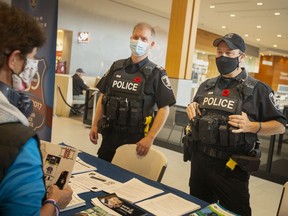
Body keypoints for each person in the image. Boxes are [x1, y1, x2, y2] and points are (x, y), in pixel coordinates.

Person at [185, 33, 286, 215]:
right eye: (219, 52)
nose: (223, 57)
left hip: (231, 168)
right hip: (200, 162)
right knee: (198, 210)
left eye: (229, 53)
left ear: (241, 57)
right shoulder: (206, 86)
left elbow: (280, 125)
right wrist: (191, 107)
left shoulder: (258, 89)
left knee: (236, 212)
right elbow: (197, 111)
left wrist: (252, 126)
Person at [0, 2, 72, 215]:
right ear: (13, 59)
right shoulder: (18, 142)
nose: (31, 69)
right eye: (30, 60)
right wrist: (55, 202)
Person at [89, 22, 176, 162]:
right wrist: (95, 124)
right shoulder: (116, 67)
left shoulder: (156, 73)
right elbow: (103, 96)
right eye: (136, 37)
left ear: (151, 44)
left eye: (144, 39)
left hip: (136, 140)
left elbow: (164, 108)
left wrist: (150, 137)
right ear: (130, 38)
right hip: (109, 135)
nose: (138, 42)